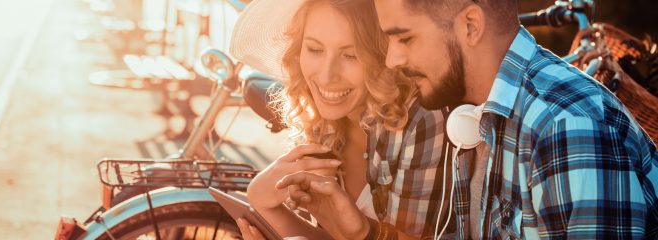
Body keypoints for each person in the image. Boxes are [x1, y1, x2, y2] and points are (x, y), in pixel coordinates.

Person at [279, 0, 658, 239]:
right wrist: (364, 233)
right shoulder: (476, 113)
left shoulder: (567, 128)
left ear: (471, 26)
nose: (391, 60)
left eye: (405, 39)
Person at [229, 0, 453, 239]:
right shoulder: (319, 121)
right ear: (298, 51)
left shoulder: (419, 120)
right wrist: (263, 205)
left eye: (350, 55)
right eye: (315, 49)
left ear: (383, 56)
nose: (327, 76)